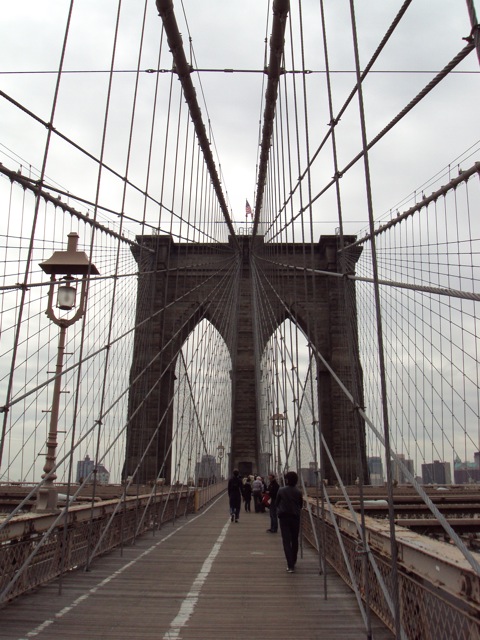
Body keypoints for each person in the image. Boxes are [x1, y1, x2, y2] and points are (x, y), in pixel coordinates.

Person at [275, 470, 303, 572]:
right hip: (295, 518)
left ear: (286, 480)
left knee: (286, 541)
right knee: (295, 540)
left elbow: (276, 503)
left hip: (284, 518)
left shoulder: (281, 490)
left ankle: (290, 565)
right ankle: (294, 560)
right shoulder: (298, 492)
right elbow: (301, 505)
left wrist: (280, 510)